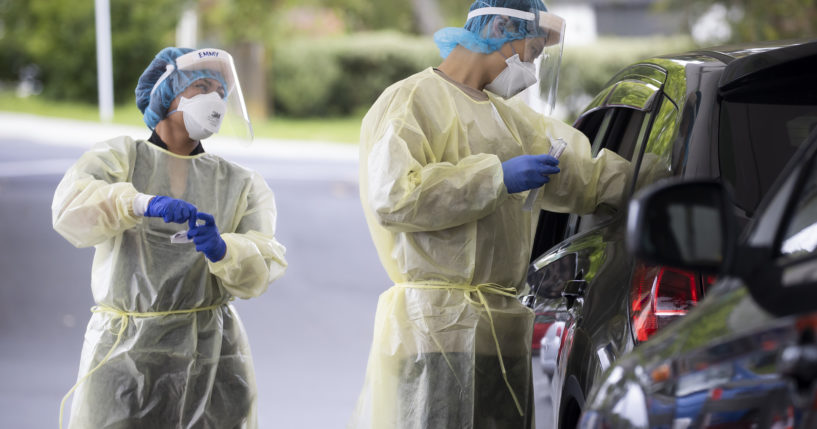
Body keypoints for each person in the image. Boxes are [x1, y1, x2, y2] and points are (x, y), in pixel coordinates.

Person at [349, 1, 631, 428]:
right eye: (531, 52)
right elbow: (394, 196)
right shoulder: (411, 101)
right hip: (436, 329)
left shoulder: (510, 118)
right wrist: (494, 178)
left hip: (502, 329)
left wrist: (656, 182)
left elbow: (583, 176)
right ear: (499, 26)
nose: (532, 70)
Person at [52, 47, 287, 429]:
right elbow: (70, 208)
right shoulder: (122, 159)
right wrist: (140, 203)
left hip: (212, 357)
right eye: (200, 87)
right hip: (127, 357)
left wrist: (225, 248)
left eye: (220, 90)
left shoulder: (240, 182)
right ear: (166, 93)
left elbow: (266, 258)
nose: (215, 99)